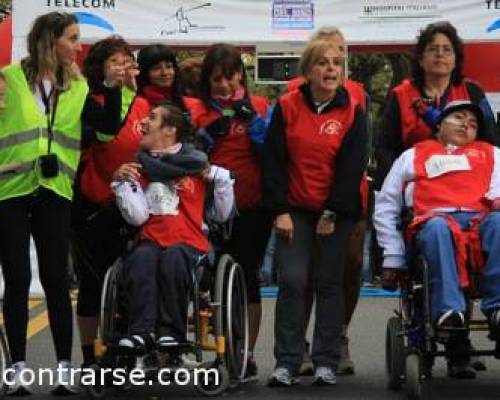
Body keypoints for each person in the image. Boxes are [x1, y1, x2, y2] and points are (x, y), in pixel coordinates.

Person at [263, 38, 367, 386]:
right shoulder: (288, 105)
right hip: (294, 209)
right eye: (323, 63)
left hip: (335, 212)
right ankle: (288, 362)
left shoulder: (353, 109)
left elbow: (352, 168)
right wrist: (280, 210)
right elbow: (274, 161)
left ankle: (326, 360)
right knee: (292, 281)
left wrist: (333, 213)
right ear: (308, 71)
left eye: (336, 64)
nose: (331, 69)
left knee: (329, 283)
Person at [374, 100, 500, 378]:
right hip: (434, 219)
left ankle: (498, 308)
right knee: (436, 229)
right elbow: (386, 205)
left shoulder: (491, 153)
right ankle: (448, 312)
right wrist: (393, 256)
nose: (467, 124)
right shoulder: (413, 155)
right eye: (459, 117)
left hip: (481, 219)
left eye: (474, 123)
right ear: (439, 124)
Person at [0, 12, 88, 395]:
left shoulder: (79, 87)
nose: (78, 47)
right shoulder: (9, 77)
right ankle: (17, 367)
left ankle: (65, 368)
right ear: (49, 40)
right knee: (17, 279)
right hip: (11, 189)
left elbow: (103, 129)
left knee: (55, 279)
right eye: (72, 38)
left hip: (55, 191)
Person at [111, 103, 234, 351]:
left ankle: (171, 332)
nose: (143, 122)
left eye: (152, 118)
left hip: (189, 242)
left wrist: (222, 182)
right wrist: (121, 184)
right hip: (151, 238)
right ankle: (140, 332)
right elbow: (137, 217)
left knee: (174, 258)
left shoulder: (199, 166)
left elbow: (222, 215)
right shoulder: (139, 168)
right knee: (142, 258)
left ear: (169, 130)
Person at [288, 26, 370, 376]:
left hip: (349, 200)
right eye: (325, 56)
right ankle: (299, 348)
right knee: (302, 275)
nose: (333, 63)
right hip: (303, 200)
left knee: (347, 269)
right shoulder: (293, 95)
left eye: (340, 55)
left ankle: (338, 336)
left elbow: (358, 151)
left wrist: (339, 204)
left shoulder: (358, 95)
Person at [189, 43, 273, 381]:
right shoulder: (196, 111)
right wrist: (205, 137)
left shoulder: (261, 105)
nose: (223, 85)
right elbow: (183, 150)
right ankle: (215, 345)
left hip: (251, 205)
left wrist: (252, 122)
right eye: (216, 79)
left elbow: (275, 151)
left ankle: (247, 352)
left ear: (240, 75)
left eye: (230, 77)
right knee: (205, 280)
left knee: (247, 278)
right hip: (207, 208)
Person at [71, 35, 137, 369]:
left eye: (127, 60)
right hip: (93, 203)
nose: (122, 67)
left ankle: (122, 354)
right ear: (100, 68)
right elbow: (103, 134)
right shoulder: (88, 99)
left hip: (135, 208)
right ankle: (88, 357)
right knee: (92, 285)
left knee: (129, 285)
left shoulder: (143, 101)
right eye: (115, 61)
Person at [375, 21, 498, 190]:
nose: (440, 54)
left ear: (455, 60)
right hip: (415, 186)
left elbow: (490, 143)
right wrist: (397, 189)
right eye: (432, 49)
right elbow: (385, 149)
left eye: (447, 50)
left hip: (468, 185)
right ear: (420, 59)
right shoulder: (401, 95)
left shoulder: (472, 92)